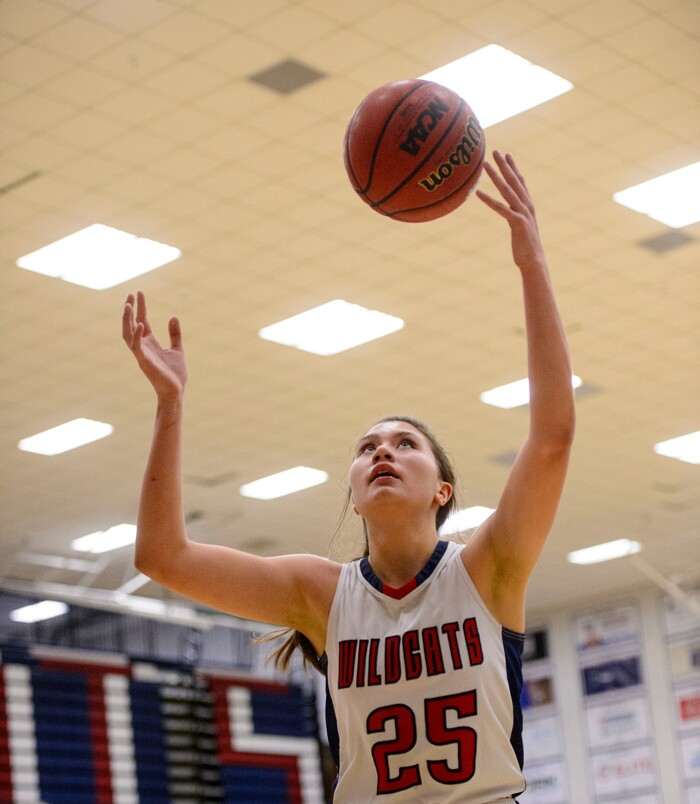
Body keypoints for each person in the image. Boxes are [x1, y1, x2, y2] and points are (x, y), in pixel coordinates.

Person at [122, 151, 575, 802]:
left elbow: (553, 439)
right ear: (356, 497)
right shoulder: (320, 595)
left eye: (404, 443)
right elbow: (161, 556)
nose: (382, 452)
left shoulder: (487, 570)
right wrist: (169, 407)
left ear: (442, 491)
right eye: (367, 448)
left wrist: (532, 265)